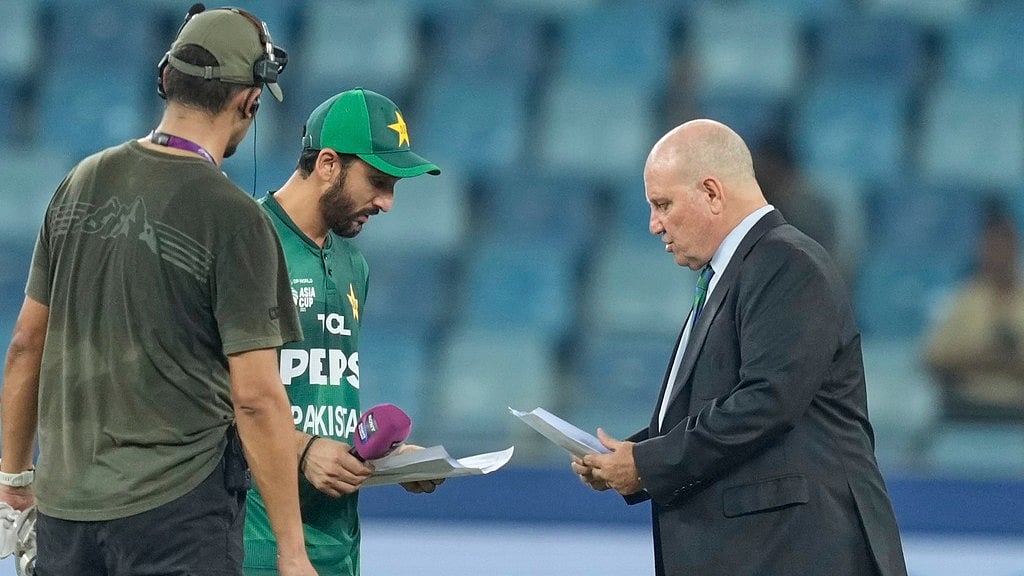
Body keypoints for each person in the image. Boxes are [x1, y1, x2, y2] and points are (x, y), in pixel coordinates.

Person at [0, 7, 318, 575]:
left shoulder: (80, 180)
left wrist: (13, 481)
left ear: (166, 80)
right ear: (251, 102)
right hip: (178, 516)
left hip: (65, 512)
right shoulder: (235, 218)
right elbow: (255, 398)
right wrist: (293, 555)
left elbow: (26, 344)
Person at [571, 119, 908, 575]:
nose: (654, 225)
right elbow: (716, 403)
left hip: (796, 552)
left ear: (711, 192)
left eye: (663, 204)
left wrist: (648, 463)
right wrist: (628, 457)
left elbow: (766, 402)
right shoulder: (736, 272)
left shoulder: (787, 262)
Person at [243, 88, 444, 576]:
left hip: (338, 544)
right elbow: (204, 399)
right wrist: (304, 449)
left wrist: (384, 460)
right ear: (328, 164)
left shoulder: (353, 262)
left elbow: (318, 392)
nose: (388, 202)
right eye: (378, 181)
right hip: (254, 541)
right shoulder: (246, 242)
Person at [924, 200, 1024, 421]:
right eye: (992, 244)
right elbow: (932, 356)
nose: (999, 252)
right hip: (969, 406)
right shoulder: (964, 299)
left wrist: (1011, 352)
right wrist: (986, 351)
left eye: (1005, 243)